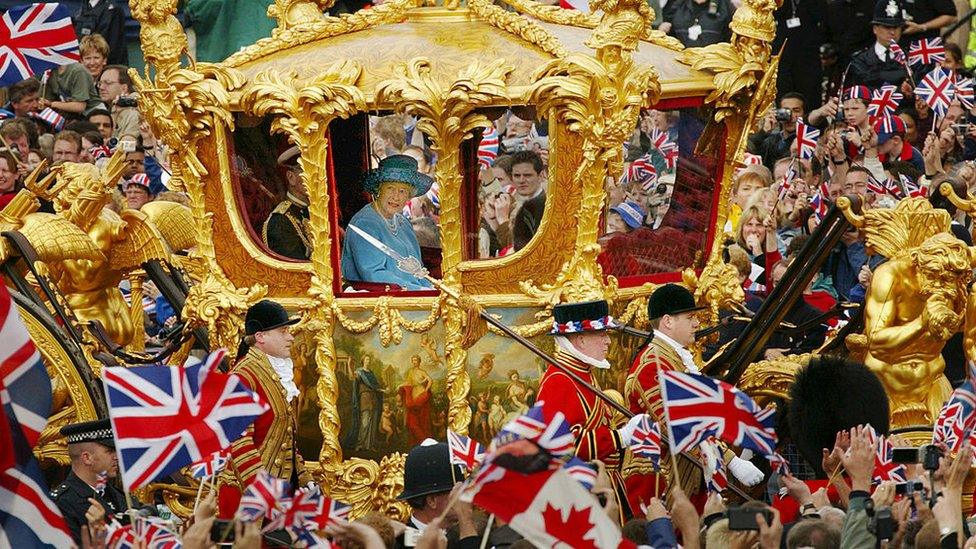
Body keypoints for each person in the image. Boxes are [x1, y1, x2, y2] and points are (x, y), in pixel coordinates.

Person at [624, 284, 764, 511]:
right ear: (668, 321)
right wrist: (732, 460)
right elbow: (678, 426)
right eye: (690, 317)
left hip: (686, 473)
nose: (697, 324)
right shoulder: (653, 365)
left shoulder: (671, 359)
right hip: (660, 482)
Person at [537, 298, 651, 523]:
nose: (608, 341)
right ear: (580, 339)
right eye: (601, 334)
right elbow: (563, 447)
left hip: (601, 486)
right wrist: (621, 436)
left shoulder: (581, 373)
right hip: (582, 494)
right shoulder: (559, 381)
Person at [220, 299, 312, 517]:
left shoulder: (276, 371)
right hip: (248, 499)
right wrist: (264, 490)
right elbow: (239, 442)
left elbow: (286, 439)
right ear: (261, 337)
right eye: (283, 331)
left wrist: (303, 477)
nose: (291, 337)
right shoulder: (243, 376)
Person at [342, 154, 434, 290]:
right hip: (381, 302)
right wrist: (418, 290)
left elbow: (418, 271)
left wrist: (431, 287)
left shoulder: (404, 223)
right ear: (379, 189)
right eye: (390, 188)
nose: (396, 196)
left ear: (409, 196)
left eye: (402, 191)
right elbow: (373, 274)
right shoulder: (365, 223)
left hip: (412, 297)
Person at [50, 419, 133, 543]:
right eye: (110, 451)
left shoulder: (119, 496)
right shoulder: (60, 504)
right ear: (87, 458)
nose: (117, 456)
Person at [394, 440, 478, 549]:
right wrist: (465, 518)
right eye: (456, 492)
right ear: (432, 501)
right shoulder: (398, 544)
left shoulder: (468, 535)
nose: (465, 499)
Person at [848, 0, 912, 89]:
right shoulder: (860, 59)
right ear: (875, 29)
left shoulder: (910, 57)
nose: (892, 32)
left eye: (896, 27)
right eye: (887, 27)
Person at [262, 146, 312, 260]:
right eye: (308, 171)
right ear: (291, 177)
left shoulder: (313, 211)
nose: (316, 177)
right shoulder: (281, 221)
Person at [495, 150, 546, 252]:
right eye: (517, 175)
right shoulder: (512, 201)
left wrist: (503, 220)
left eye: (527, 175)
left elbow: (522, 250)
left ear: (540, 176)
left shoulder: (546, 205)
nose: (521, 180)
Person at [74, 0, 128, 66]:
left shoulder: (113, 10)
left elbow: (114, 47)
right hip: (85, 68)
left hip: (108, 69)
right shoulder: (82, 9)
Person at [351, 355, 385, 453]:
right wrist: (350, 366)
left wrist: (382, 390)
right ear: (363, 361)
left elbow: (375, 386)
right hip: (365, 398)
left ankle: (370, 445)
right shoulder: (359, 372)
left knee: (373, 422)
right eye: (367, 359)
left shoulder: (371, 373)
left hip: (373, 398)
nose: (368, 361)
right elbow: (353, 377)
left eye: (369, 359)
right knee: (365, 422)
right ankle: (360, 444)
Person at [400, 355, 433, 446]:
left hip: (421, 395)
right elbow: (408, 383)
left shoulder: (422, 372)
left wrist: (426, 391)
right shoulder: (410, 372)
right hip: (413, 395)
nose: (414, 362)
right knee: (412, 422)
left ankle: (425, 442)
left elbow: (430, 380)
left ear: (419, 362)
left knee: (422, 419)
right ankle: (420, 441)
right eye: (413, 360)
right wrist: (401, 386)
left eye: (416, 360)